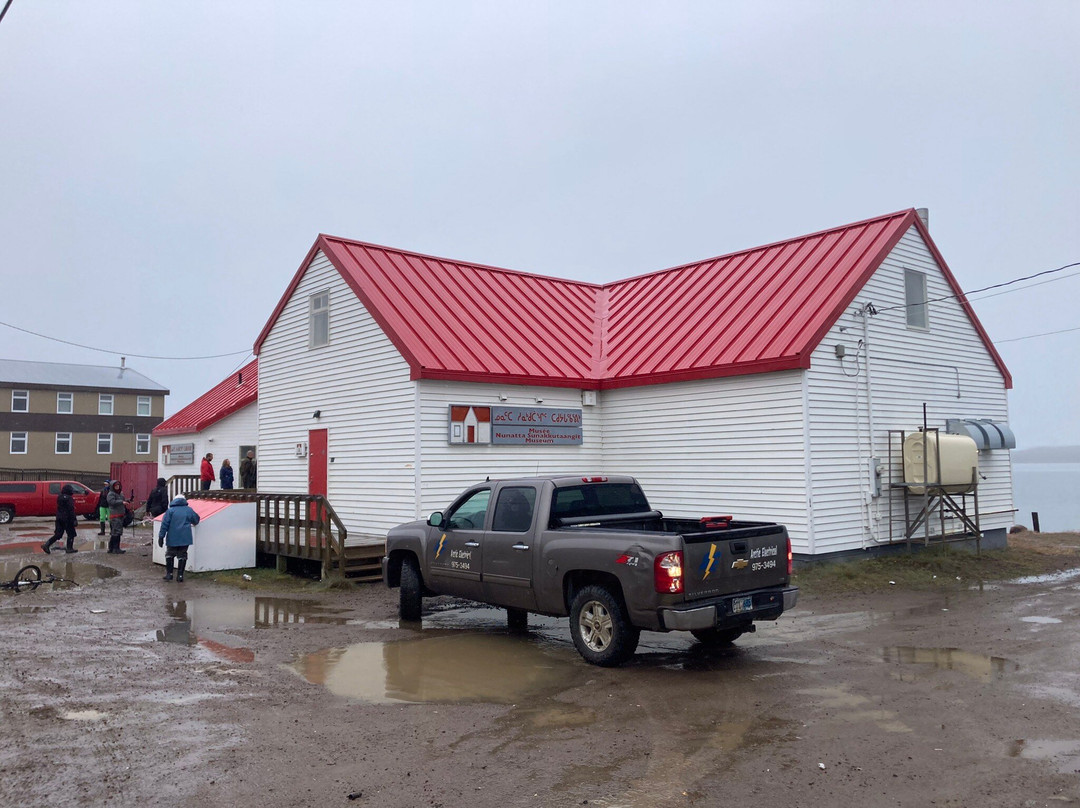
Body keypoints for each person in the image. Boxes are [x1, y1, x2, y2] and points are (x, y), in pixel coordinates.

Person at [158, 496, 200, 582]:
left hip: (172, 537)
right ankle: (180, 575)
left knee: (170, 554)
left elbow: (164, 524)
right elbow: (196, 520)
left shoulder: (170, 511)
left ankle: (169, 574)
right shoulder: (188, 510)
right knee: (182, 555)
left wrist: (161, 536)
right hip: (185, 537)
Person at [41, 483, 79, 554]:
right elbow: (71, 510)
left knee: (58, 534)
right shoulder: (69, 498)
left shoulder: (59, 497)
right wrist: (74, 519)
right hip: (68, 519)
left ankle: (47, 545)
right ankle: (69, 548)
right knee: (71, 534)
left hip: (59, 518)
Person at [106, 480, 131, 554]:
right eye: (116, 486)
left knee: (116, 532)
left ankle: (111, 548)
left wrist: (127, 501)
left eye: (118, 485)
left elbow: (121, 500)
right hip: (115, 515)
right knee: (116, 532)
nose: (117, 487)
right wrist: (122, 502)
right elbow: (111, 502)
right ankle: (115, 548)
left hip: (120, 515)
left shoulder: (120, 493)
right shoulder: (111, 494)